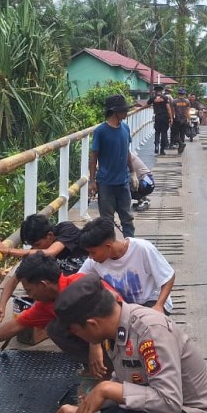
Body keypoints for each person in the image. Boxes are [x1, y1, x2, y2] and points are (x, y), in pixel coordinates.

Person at [52, 278, 207, 413]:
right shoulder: (115, 330)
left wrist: (106, 389)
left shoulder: (150, 331)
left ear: (93, 324)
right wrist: (83, 411)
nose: (80, 338)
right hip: (152, 411)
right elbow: (127, 381)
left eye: (77, 332)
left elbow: (170, 403)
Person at [0, 252, 120, 377]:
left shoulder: (81, 283)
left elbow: (115, 303)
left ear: (43, 285)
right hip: (98, 339)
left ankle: (114, 368)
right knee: (55, 328)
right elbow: (16, 325)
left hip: (121, 335)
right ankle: (98, 368)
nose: (30, 296)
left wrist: (95, 344)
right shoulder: (45, 304)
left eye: (29, 290)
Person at [0, 214, 89, 328]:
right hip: (60, 293)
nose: (35, 249)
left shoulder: (66, 230)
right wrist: (1, 306)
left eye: (37, 244)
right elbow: (13, 281)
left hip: (86, 287)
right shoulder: (35, 253)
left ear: (50, 235)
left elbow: (49, 252)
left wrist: (8, 250)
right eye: (32, 246)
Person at [77, 217, 175, 314]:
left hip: (152, 301)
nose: (90, 257)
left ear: (108, 246)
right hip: (125, 307)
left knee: (140, 322)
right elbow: (77, 281)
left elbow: (168, 277)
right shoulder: (94, 261)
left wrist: (159, 306)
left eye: (93, 253)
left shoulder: (142, 248)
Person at [90, 94, 138, 239]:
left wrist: (133, 172)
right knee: (107, 221)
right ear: (115, 112)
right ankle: (110, 248)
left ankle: (131, 246)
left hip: (122, 181)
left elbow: (126, 151)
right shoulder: (101, 131)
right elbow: (94, 157)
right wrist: (92, 181)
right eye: (123, 110)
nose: (126, 113)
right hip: (106, 183)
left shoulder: (125, 128)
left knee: (127, 218)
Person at [146, 84, 173, 155]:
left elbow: (146, 105)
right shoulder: (165, 98)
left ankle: (156, 146)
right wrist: (171, 118)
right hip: (165, 117)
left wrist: (139, 109)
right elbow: (168, 109)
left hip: (157, 117)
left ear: (155, 91)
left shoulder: (153, 98)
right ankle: (162, 149)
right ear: (161, 91)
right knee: (164, 133)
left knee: (157, 132)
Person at [171, 87, 191, 154]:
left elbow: (172, 111)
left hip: (177, 119)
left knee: (174, 133)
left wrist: (171, 119)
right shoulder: (187, 101)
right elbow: (188, 111)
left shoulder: (174, 101)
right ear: (184, 94)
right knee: (182, 133)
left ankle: (180, 143)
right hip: (184, 119)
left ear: (178, 93)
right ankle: (181, 145)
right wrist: (189, 119)